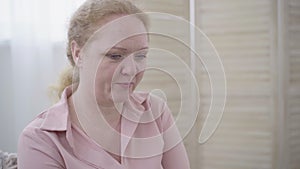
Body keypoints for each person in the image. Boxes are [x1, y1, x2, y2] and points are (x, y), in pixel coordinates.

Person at [17, 0, 190, 168]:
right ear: (78, 53)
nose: (131, 70)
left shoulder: (155, 111)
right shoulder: (41, 138)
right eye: (115, 56)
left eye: (140, 56)